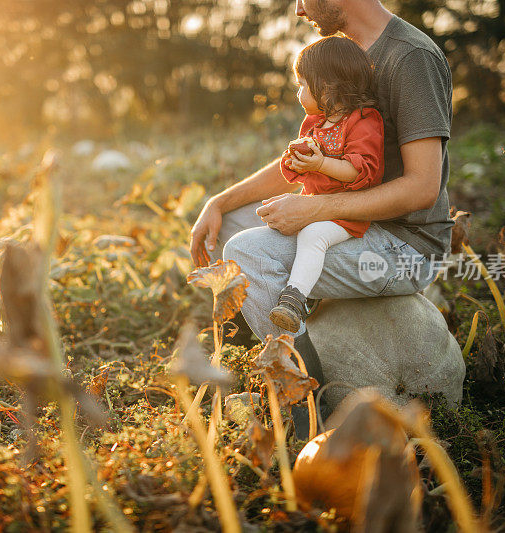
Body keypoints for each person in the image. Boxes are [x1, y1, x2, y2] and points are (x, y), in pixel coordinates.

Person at [189, 0, 454, 436]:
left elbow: (422, 188)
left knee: (244, 253)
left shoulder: (411, 58)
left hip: (404, 245)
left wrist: (314, 208)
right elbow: (308, 161)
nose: (297, 9)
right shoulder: (343, 59)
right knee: (234, 223)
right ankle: (280, 339)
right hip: (355, 224)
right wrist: (218, 201)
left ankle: (307, 407)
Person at [270, 36, 383, 333]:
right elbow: (298, 170)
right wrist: (294, 161)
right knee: (274, 222)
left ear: (329, 87)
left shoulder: (363, 121)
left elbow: (361, 171)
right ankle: (310, 292)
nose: (298, 93)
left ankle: (295, 299)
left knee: (313, 236)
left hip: (345, 213)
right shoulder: (314, 123)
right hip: (313, 205)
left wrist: (320, 164)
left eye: (303, 85)